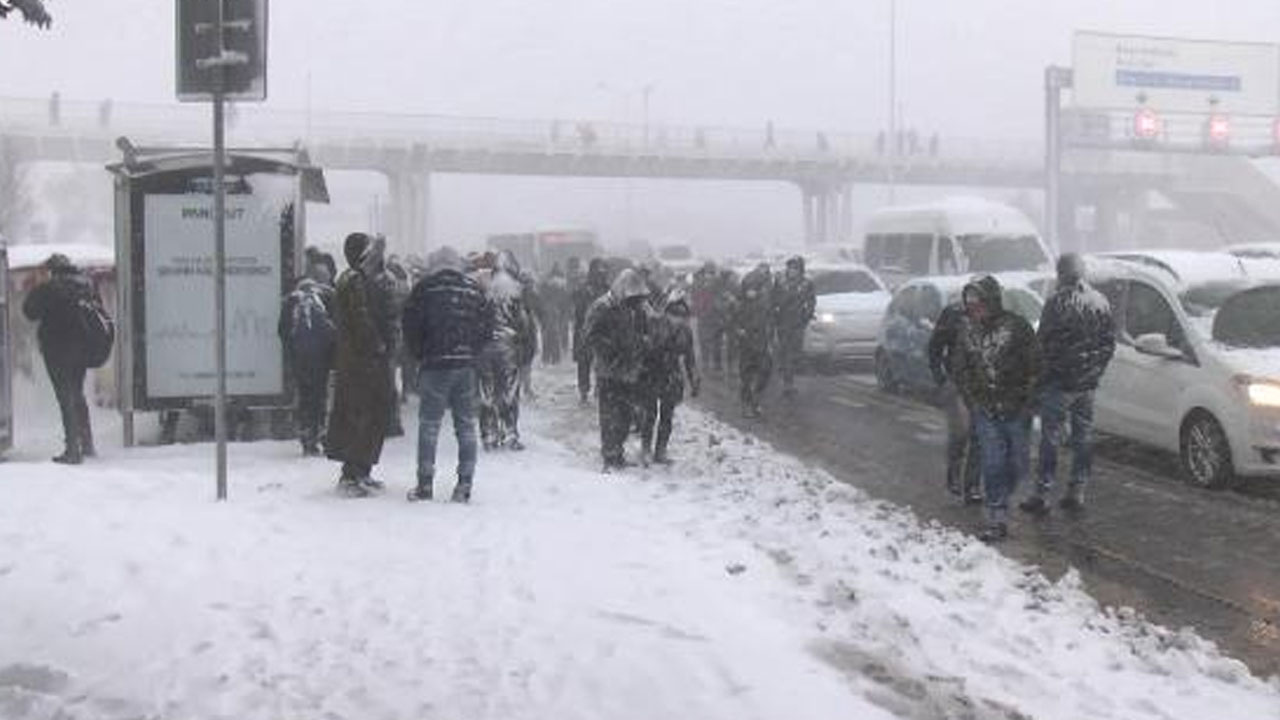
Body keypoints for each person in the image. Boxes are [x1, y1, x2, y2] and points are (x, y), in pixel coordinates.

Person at [1021, 253, 1116, 515]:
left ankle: (1042, 492)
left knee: (1051, 438)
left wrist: (1040, 378)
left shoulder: (1057, 302)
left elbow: (1044, 344)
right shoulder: (1100, 302)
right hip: (1086, 386)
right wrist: (1094, 372)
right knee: (1083, 437)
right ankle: (1077, 490)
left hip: (1060, 384)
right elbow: (1108, 343)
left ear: (1061, 273)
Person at [402, 247, 494, 503]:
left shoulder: (424, 289)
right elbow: (488, 326)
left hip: (434, 365)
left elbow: (409, 324)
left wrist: (421, 352)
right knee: (465, 426)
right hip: (465, 366)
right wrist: (471, 351)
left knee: (429, 425)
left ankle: (425, 483)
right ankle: (464, 484)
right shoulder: (473, 289)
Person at [954, 275, 1039, 542]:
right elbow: (962, 368)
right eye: (970, 304)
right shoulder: (968, 332)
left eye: (979, 302)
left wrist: (1027, 397)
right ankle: (996, 516)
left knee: (1016, 463)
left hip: (1016, 407)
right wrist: (973, 398)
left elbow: (1036, 364)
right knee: (992, 462)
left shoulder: (1017, 327)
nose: (975, 308)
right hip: (985, 409)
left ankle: (1004, 496)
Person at [326, 233, 396, 497]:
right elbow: (361, 318)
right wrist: (378, 345)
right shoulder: (354, 280)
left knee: (368, 414)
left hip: (359, 359)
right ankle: (352, 473)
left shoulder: (357, 278)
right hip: (361, 361)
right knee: (361, 415)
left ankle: (362, 470)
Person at [22, 253, 100, 464]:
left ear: (52, 270)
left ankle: (72, 450)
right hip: (82, 349)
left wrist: (38, 285)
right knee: (77, 393)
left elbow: (29, 311)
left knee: (65, 397)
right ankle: (87, 443)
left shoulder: (50, 288)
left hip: (57, 350)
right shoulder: (85, 285)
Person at [582, 268, 651, 471]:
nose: (637, 302)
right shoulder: (602, 307)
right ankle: (609, 455)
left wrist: (641, 345)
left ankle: (617, 451)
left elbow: (642, 331)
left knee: (626, 414)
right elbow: (589, 336)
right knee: (610, 414)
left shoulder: (635, 308)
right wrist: (612, 350)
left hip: (629, 370)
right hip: (609, 370)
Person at [477, 251, 537, 451]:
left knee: (487, 391)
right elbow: (524, 323)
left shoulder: (483, 289)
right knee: (509, 391)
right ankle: (510, 432)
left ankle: (489, 434)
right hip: (508, 346)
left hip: (484, 347)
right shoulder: (517, 290)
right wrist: (526, 346)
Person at [928, 292, 982, 503]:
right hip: (957, 384)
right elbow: (935, 346)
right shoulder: (953, 315)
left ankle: (973, 486)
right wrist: (940, 377)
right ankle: (954, 478)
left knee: (979, 437)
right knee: (960, 434)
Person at [638, 291, 700, 465]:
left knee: (667, 416)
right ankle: (645, 449)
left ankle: (661, 451)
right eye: (674, 315)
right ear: (667, 313)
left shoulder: (686, 332)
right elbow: (644, 349)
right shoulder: (654, 325)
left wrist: (694, 379)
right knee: (649, 415)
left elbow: (690, 358)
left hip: (671, 376)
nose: (678, 319)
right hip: (651, 373)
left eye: (682, 316)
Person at [278, 275, 336, 456]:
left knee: (305, 397)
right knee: (320, 396)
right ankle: (321, 433)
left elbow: (282, 331)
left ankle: (306, 437)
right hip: (321, 359)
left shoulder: (291, 302)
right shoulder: (324, 299)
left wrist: (291, 355)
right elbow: (334, 330)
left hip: (300, 359)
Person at [735, 264, 775, 418]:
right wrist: (739, 330)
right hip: (746, 344)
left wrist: (771, 337)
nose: (751, 291)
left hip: (762, 343)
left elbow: (770, 321)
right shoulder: (740, 305)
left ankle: (756, 400)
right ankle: (747, 404)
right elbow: (732, 322)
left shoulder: (764, 306)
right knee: (746, 375)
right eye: (748, 289)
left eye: (754, 288)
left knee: (765, 372)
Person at [773, 256, 816, 397]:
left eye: (795, 268)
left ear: (800, 270)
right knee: (786, 352)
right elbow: (773, 298)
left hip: (798, 322)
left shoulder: (807, 283)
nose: (792, 271)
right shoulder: (780, 282)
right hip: (783, 322)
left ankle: (788, 375)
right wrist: (776, 312)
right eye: (790, 268)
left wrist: (807, 314)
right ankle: (788, 382)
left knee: (795, 351)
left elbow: (811, 300)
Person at [572, 258, 611, 405]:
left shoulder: (608, 290)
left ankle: (599, 388)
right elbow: (578, 311)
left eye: (602, 273)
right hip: (585, 331)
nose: (600, 276)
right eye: (597, 272)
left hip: (603, 331)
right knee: (584, 363)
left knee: (602, 361)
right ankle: (584, 391)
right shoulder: (583, 290)